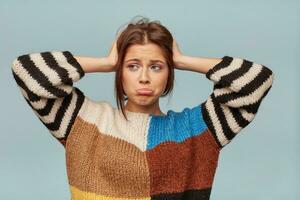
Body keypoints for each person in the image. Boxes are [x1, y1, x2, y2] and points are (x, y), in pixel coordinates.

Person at [11, 17, 274, 200]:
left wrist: (181, 59)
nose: (144, 77)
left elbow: (257, 81)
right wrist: (106, 62)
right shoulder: (84, 122)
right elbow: (27, 72)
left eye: (156, 67)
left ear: (169, 73)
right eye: (132, 66)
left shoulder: (197, 129)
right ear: (120, 72)